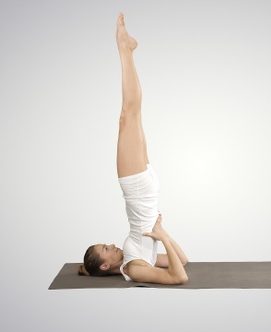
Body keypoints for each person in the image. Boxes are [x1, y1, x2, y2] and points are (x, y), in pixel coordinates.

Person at [78, 13, 188, 285]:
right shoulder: (134, 268)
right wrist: (161, 236)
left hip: (145, 191)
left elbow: (181, 259)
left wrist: (162, 234)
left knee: (132, 115)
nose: (113, 245)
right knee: (127, 115)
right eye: (107, 249)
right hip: (137, 189)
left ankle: (127, 49)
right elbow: (180, 275)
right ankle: (125, 49)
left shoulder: (137, 260)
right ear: (106, 266)